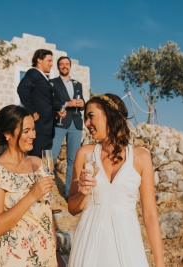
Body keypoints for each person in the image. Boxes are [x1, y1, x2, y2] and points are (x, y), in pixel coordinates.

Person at [67, 94, 165, 267]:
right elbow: (72, 209)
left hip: (127, 246)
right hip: (89, 243)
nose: (87, 124)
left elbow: (149, 215)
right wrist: (82, 193)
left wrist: (159, 263)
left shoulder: (141, 157)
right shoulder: (85, 154)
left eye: (91, 117)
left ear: (109, 114)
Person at [0, 105, 65, 267]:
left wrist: (56, 253)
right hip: (14, 258)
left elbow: (47, 213)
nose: (33, 135)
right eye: (26, 131)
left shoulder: (38, 164)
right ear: (7, 134)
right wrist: (31, 196)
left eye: (33, 129)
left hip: (46, 255)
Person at [50, 56, 84, 198]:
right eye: (62, 64)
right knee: (51, 156)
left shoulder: (78, 84)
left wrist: (82, 103)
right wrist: (66, 104)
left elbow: (81, 101)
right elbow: (51, 102)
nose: (64, 66)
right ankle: (44, 193)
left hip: (76, 124)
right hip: (60, 122)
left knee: (73, 160)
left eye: (67, 64)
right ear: (58, 67)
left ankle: (70, 194)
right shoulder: (52, 83)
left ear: (70, 66)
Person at [17, 49, 55, 158]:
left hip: (46, 127)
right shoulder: (34, 74)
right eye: (49, 61)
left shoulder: (42, 77)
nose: (51, 64)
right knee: (36, 159)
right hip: (40, 126)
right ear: (39, 60)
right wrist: (32, 111)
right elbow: (22, 89)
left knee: (42, 160)